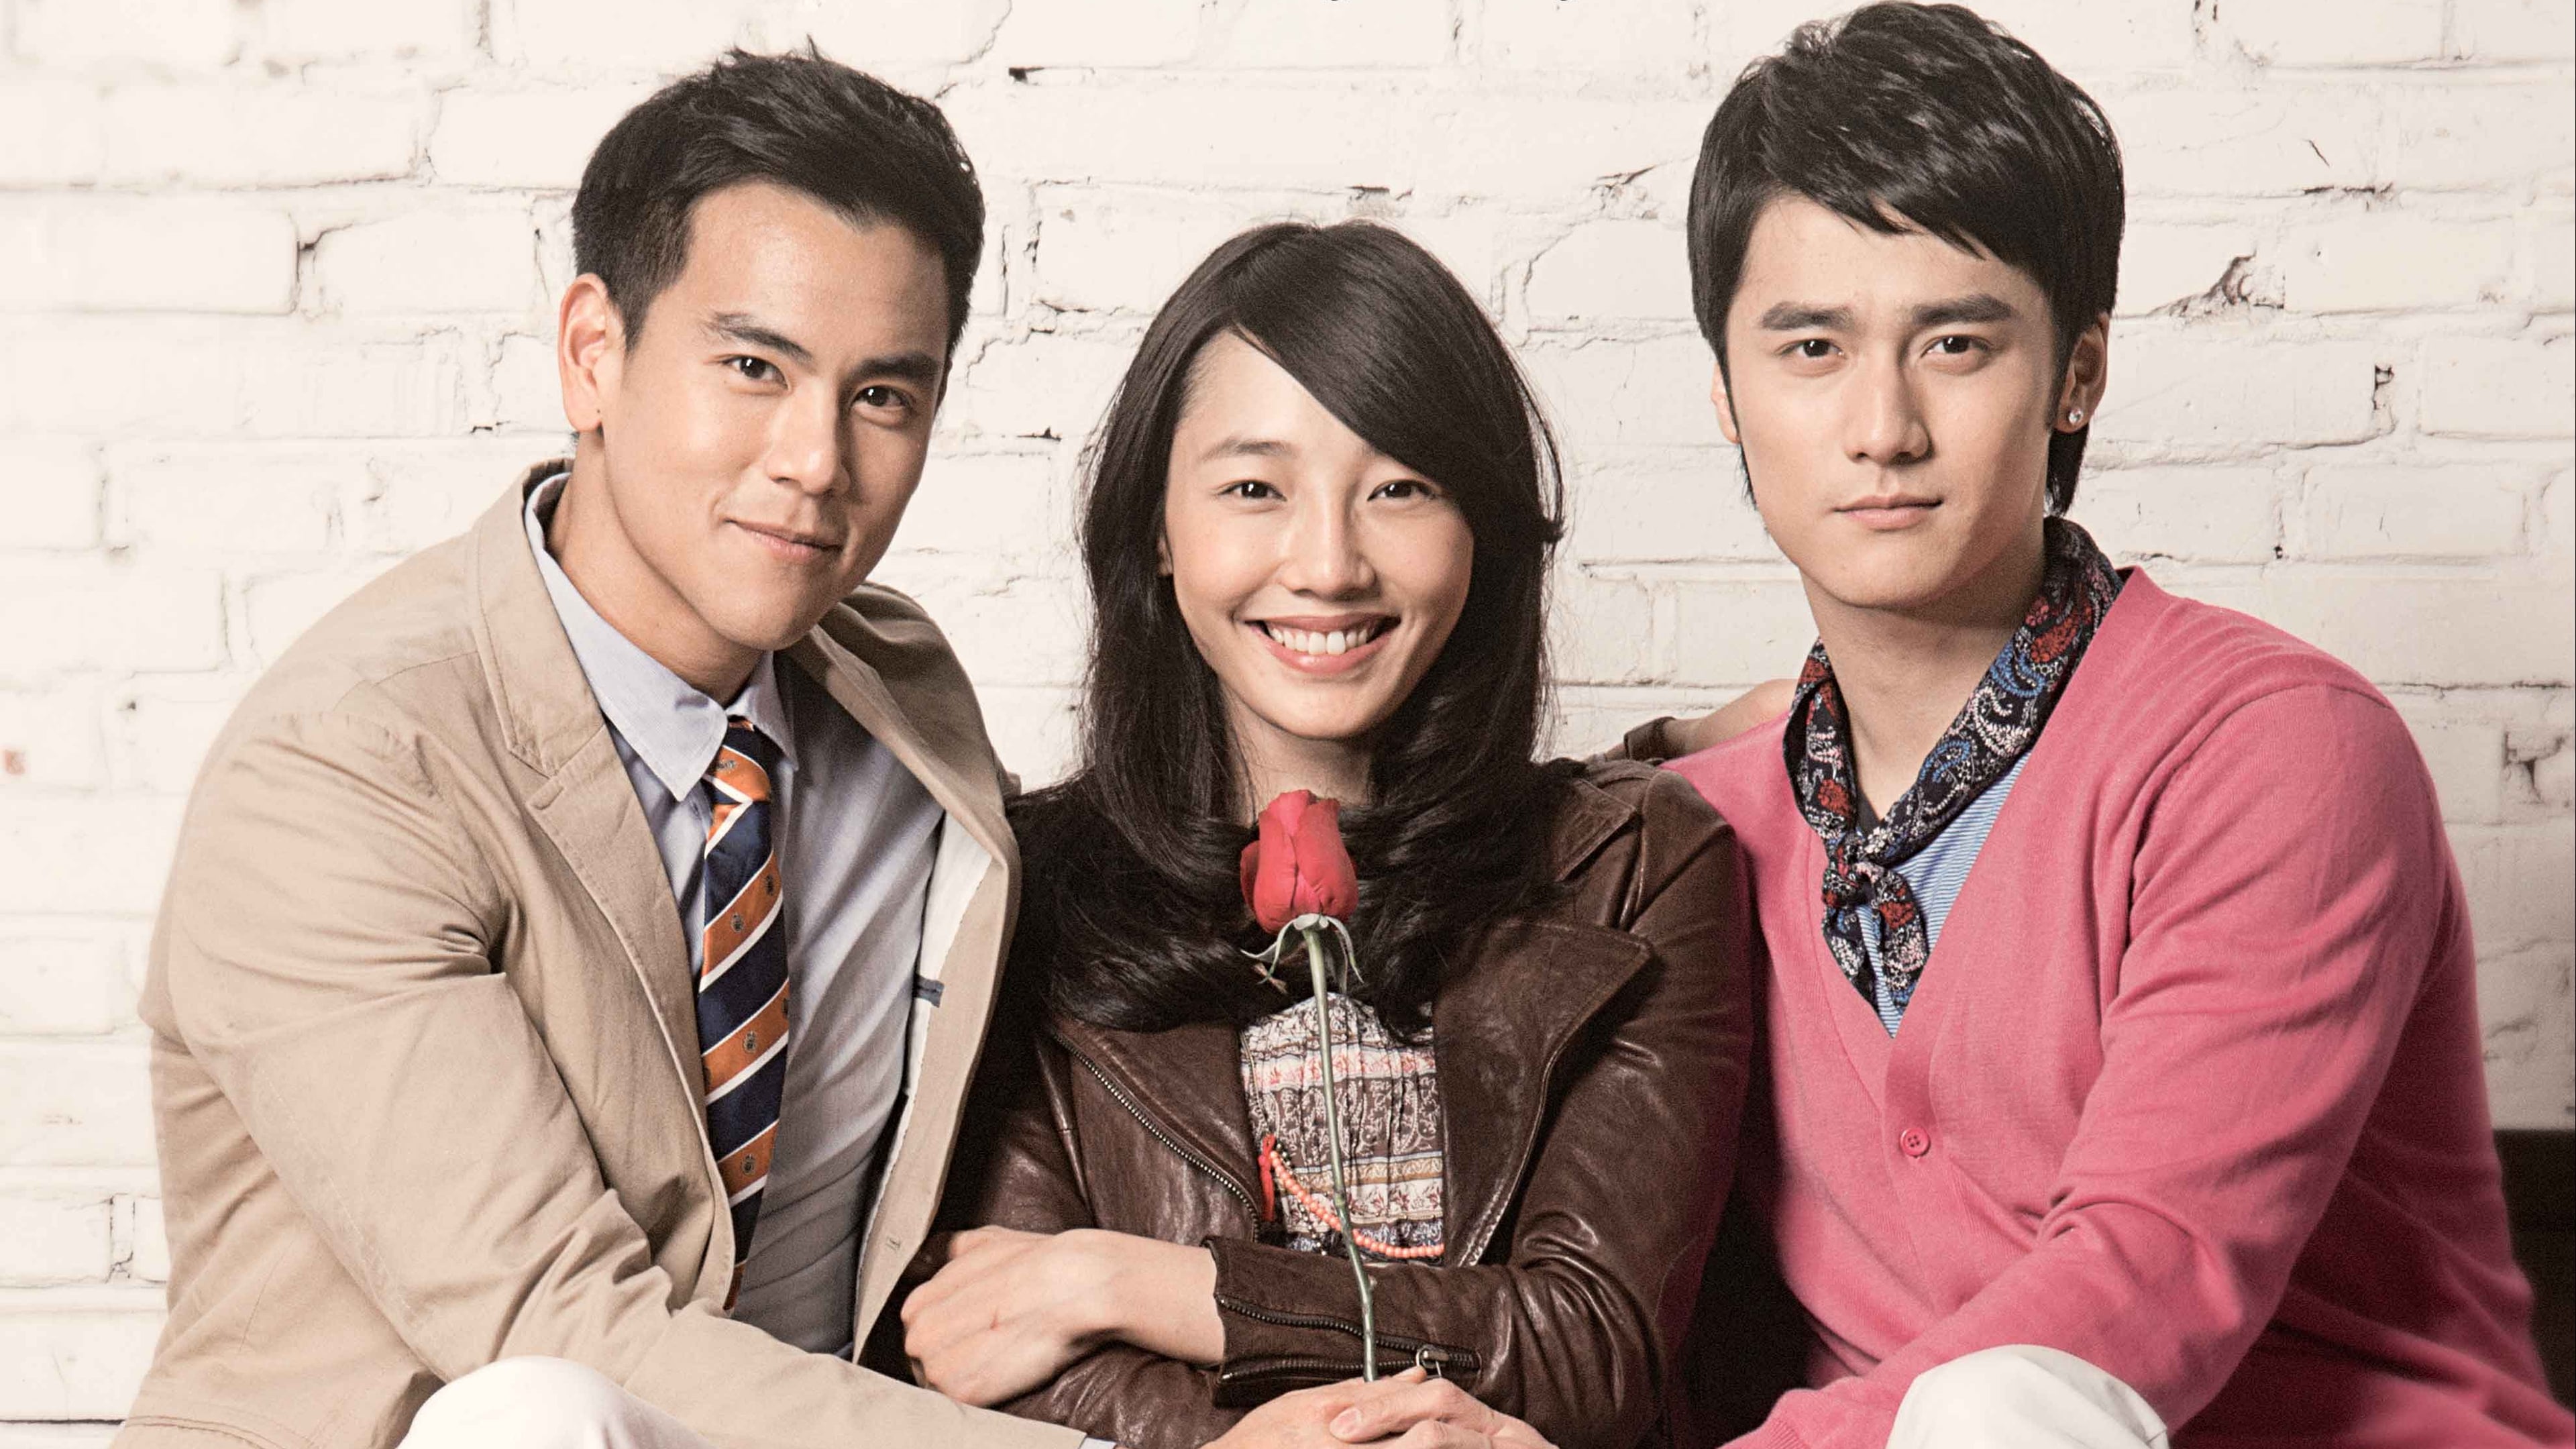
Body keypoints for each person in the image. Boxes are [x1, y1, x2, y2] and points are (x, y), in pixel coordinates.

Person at [121, 52, 1524, 1449]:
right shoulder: (347, 773)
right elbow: (559, 1323)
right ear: (593, 351)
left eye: (883, 397)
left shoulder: (895, 703)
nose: (814, 461)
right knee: (532, 1416)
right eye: (754, 368)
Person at [1617, 6, 2576, 1446]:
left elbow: (2143, 1284)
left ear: (2078, 372)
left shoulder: (2281, 755)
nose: (1882, 426)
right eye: (1810, 347)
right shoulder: (1709, 821)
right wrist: (1660, 748)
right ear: (1726, 394)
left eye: (1956, 342)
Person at [895, 220, 1757, 1449]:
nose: (1329, 564)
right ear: (1157, 529)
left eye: (1400, 488)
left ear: (1481, 531)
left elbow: (1589, 1346)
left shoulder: (1635, 864)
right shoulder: (1027, 889)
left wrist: (1132, 1281)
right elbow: (983, 1340)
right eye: (1255, 489)